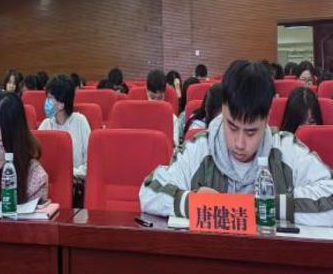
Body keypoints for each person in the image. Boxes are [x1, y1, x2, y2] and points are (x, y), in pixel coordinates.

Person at [140, 60, 333, 226]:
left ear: (267, 117)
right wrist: (195, 202)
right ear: (223, 109)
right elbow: (150, 191)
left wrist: (266, 207)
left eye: (251, 132)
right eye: (232, 127)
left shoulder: (286, 149)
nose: (240, 143)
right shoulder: (199, 148)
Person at [39, 75, 91, 179]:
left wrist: (71, 173)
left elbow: (90, 162)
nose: (46, 102)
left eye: (50, 98)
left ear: (61, 105)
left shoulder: (80, 122)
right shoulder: (46, 124)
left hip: (76, 181)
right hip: (49, 180)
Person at [146, 69, 180, 146]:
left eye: (160, 98)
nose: (156, 102)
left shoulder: (172, 119)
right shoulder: (137, 115)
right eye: (152, 97)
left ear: (164, 94)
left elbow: (175, 148)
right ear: (146, 92)